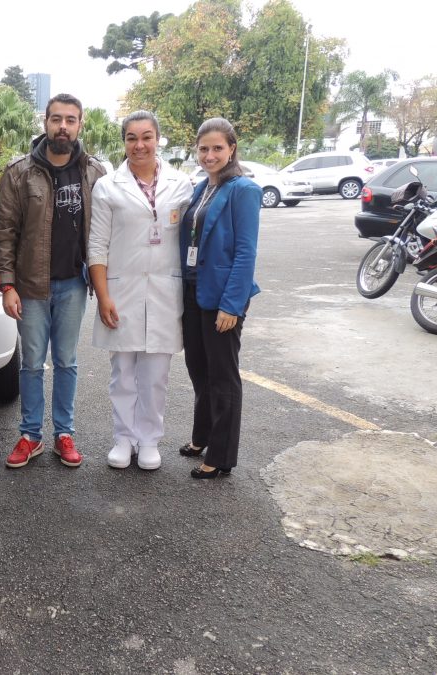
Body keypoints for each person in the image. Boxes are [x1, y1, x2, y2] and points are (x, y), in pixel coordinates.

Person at [0, 93, 107, 469]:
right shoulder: (19, 171)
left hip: (74, 284)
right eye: (56, 119)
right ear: (45, 122)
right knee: (30, 365)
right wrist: (7, 286)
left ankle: (64, 434)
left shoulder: (94, 172)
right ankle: (30, 436)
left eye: (70, 120)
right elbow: (5, 233)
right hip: (30, 287)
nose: (63, 126)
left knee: (67, 362)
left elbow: (108, 231)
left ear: (80, 124)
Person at [87, 111, 194, 470]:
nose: (140, 145)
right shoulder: (107, 186)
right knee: (123, 372)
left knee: (155, 375)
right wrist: (103, 296)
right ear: (124, 143)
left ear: (158, 139)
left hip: (165, 289)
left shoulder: (181, 185)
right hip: (121, 289)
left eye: (147, 137)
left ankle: (149, 440)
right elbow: (97, 245)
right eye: (132, 138)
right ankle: (123, 438)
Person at [177, 117, 261, 479]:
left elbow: (246, 252)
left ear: (232, 149)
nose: (210, 155)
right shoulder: (201, 188)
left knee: (223, 376)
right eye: (204, 148)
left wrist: (232, 304)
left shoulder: (243, 190)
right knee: (199, 369)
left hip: (222, 296)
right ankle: (202, 436)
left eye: (217, 148)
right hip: (194, 290)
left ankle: (221, 455)